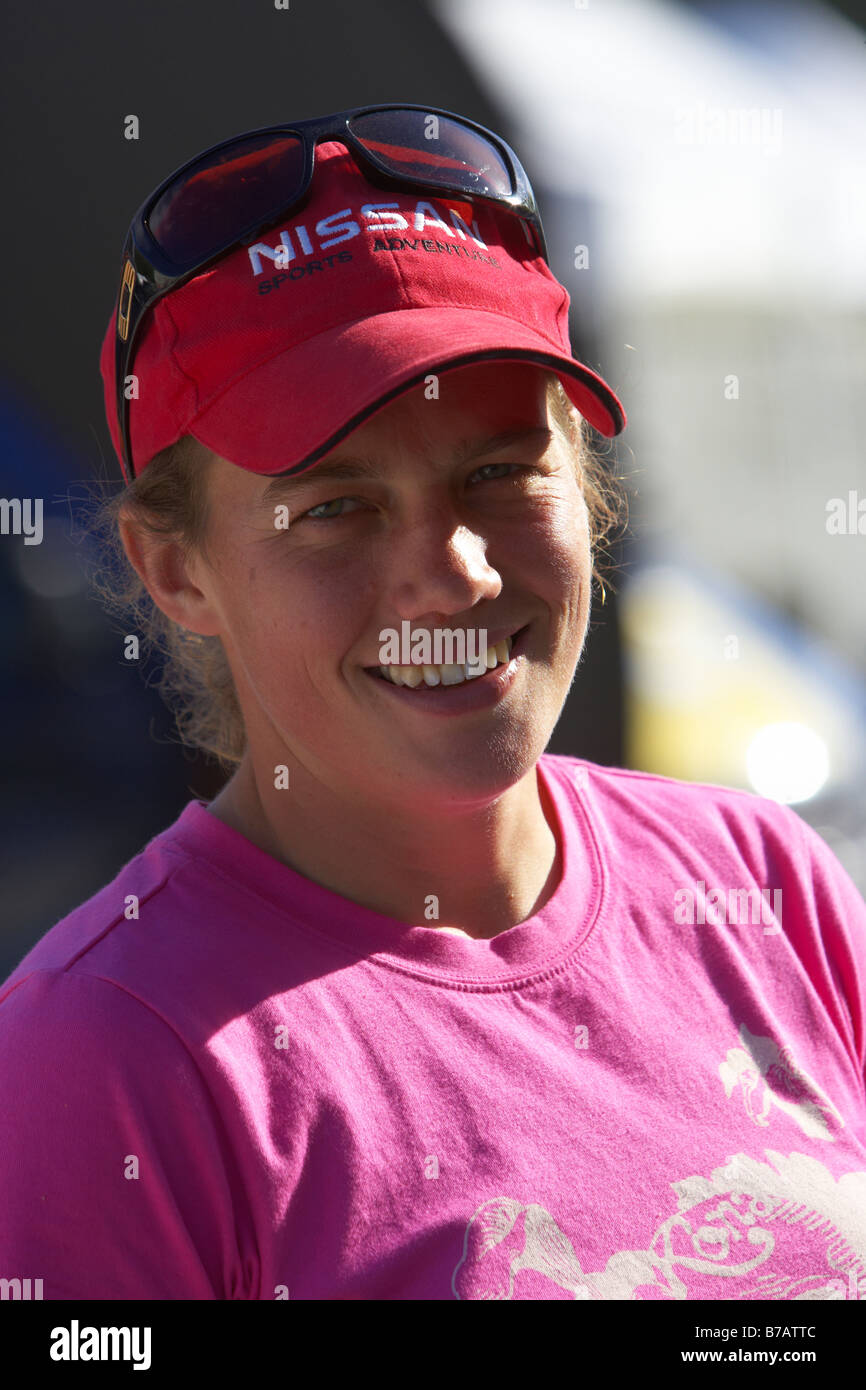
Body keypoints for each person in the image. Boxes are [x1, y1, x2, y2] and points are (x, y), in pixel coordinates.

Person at [1, 106, 864, 1303]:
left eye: (499, 471)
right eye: (336, 505)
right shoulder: (100, 1057)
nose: (454, 570)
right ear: (176, 568)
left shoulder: (760, 879)